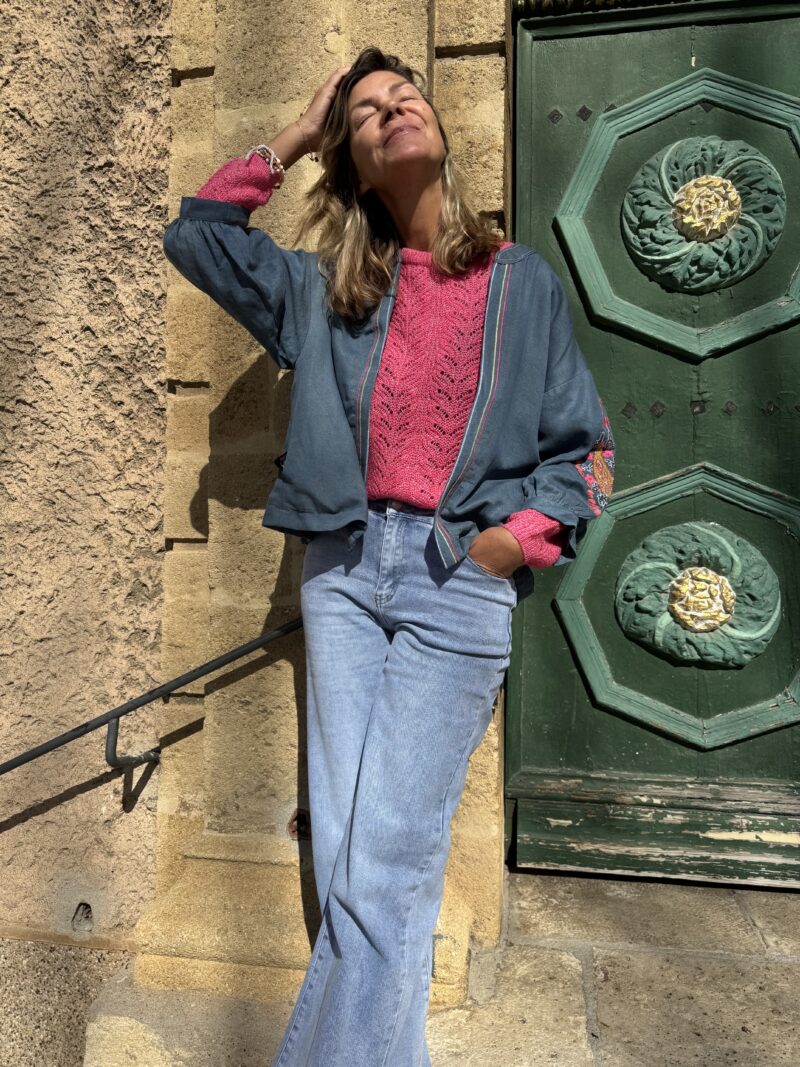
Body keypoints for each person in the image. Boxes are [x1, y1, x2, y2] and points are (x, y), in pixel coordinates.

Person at [163, 45, 615, 1067]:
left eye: (404, 94)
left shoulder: (521, 283)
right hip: (343, 567)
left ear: (440, 127)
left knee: (385, 860)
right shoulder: (327, 291)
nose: (391, 108)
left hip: (458, 576)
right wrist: (296, 131)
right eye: (365, 111)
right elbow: (198, 235)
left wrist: (511, 544)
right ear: (353, 162)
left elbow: (584, 451)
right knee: (349, 854)